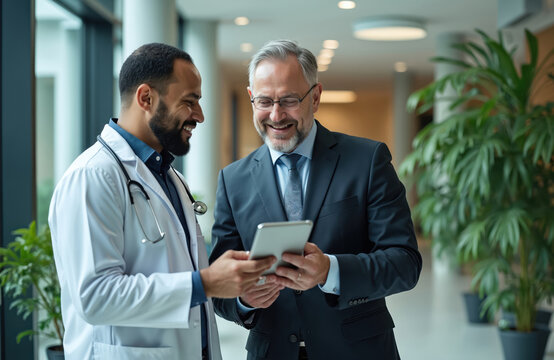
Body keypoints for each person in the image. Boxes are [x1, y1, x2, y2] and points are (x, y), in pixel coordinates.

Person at [48, 43, 276, 360]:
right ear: (146, 98)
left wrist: (235, 290)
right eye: (189, 102)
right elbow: (95, 297)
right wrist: (205, 283)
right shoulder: (93, 177)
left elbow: (179, 282)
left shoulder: (169, 178)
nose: (200, 115)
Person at [209, 39, 423, 360]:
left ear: (316, 97)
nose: (276, 115)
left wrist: (330, 271)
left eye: (290, 100)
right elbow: (219, 284)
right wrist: (244, 300)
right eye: (264, 101)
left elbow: (405, 263)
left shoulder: (367, 160)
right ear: (252, 98)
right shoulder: (233, 179)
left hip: (358, 351)